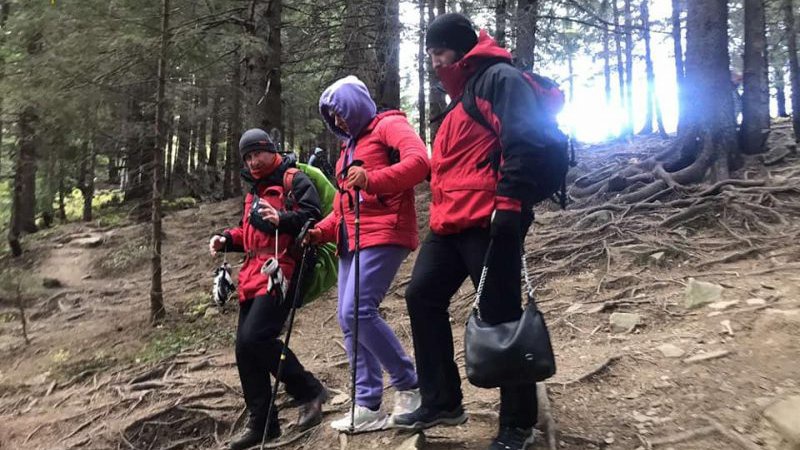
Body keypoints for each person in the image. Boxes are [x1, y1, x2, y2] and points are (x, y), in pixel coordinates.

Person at [393, 13, 561, 450]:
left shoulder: (499, 79)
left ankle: (517, 424)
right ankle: (442, 401)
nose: (433, 61)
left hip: (490, 222)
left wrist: (508, 206)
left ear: (462, 48)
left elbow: (524, 139)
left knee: (502, 317)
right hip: (449, 225)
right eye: (429, 53)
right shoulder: (460, 96)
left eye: (439, 51)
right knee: (421, 296)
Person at [306, 75, 430, 433]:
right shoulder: (349, 147)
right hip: (352, 238)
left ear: (354, 105)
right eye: (332, 116)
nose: (339, 121)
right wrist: (319, 232)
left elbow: (420, 162)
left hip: (385, 231)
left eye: (341, 112)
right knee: (349, 320)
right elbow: (345, 206)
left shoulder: (389, 124)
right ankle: (368, 403)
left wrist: (373, 179)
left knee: (356, 310)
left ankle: (410, 385)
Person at [209, 129, 328, 449]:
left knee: (257, 337)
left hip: (282, 271)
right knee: (244, 349)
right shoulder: (254, 190)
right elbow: (249, 234)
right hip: (250, 274)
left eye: (256, 154)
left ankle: (309, 391)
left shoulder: (294, 180)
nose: (253, 161)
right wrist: (227, 239)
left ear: (269, 150)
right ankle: (263, 424)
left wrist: (282, 218)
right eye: (247, 157)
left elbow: (312, 219)